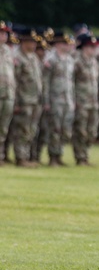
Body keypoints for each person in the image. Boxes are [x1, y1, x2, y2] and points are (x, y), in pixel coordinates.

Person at [11, 28, 44, 167]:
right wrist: (16, 102)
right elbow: (15, 81)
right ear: (24, 42)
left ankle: (28, 156)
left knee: (32, 130)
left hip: (35, 100)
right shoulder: (17, 58)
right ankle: (20, 157)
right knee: (22, 130)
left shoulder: (33, 57)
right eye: (32, 42)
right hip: (24, 100)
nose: (34, 45)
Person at [43, 31, 75, 166]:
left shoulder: (69, 60)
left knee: (65, 130)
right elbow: (46, 82)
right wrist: (46, 101)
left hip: (67, 99)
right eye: (65, 43)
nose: (68, 46)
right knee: (55, 129)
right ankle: (53, 157)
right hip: (55, 99)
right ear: (58, 44)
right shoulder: (51, 59)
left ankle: (59, 154)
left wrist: (73, 100)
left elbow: (71, 82)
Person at [71, 33, 99, 166]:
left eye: (94, 47)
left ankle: (86, 155)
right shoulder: (76, 62)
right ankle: (80, 157)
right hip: (81, 100)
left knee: (92, 131)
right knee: (80, 130)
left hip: (93, 101)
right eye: (89, 47)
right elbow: (71, 82)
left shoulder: (94, 62)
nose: (92, 50)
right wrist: (74, 99)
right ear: (83, 47)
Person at [0, 22, 14, 164]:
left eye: (5, 33)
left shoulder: (9, 51)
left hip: (8, 95)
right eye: (1, 33)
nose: (3, 35)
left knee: (3, 128)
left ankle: (1, 156)